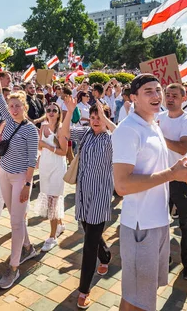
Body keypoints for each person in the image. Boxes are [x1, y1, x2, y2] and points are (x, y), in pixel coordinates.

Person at [113, 74, 187, 311]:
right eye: (148, 91)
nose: (157, 95)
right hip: (141, 226)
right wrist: (173, 174)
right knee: (141, 300)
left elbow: (161, 168)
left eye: (158, 90)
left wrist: (184, 174)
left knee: (136, 295)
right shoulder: (128, 130)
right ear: (133, 98)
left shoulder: (153, 125)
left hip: (158, 221)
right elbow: (121, 185)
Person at [60, 96, 116, 309]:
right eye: (92, 117)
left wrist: (106, 119)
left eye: (99, 117)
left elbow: (121, 134)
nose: (95, 120)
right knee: (89, 232)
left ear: (106, 118)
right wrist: (70, 110)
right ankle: (106, 255)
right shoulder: (85, 134)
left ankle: (84, 290)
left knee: (89, 244)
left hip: (101, 197)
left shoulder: (112, 138)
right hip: (83, 195)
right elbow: (64, 134)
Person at [0, 62, 39, 290]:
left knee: (15, 222)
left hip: (21, 177)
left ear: (25, 106)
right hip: (5, 175)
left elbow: (32, 160)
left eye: (18, 105)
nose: (13, 108)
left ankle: (13, 267)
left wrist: (28, 184)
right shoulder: (8, 120)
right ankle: (29, 248)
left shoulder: (30, 129)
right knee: (14, 216)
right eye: (11, 105)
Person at [157, 83, 187, 280]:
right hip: (161, 176)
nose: (170, 98)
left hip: (181, 179)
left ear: (183, 98)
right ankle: (164, 259)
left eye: (174, 95)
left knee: (186, 224)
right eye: (167, 95)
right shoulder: (159, 117)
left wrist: (158, 135)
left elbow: (183, 148)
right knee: (159, 221)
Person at [34, 102, 68, 252]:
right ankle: (59, 225)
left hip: (57, 167)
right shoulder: (42, 127)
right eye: (49, 110)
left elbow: (64, 152)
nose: (51, 112)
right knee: (49, 197)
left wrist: (46, 146)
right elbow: (40, 147)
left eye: (55, 110)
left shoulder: (61, 129)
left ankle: (52, 236)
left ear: (59, 113)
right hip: (45, 167)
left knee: (52, 201)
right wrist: (38, 157)